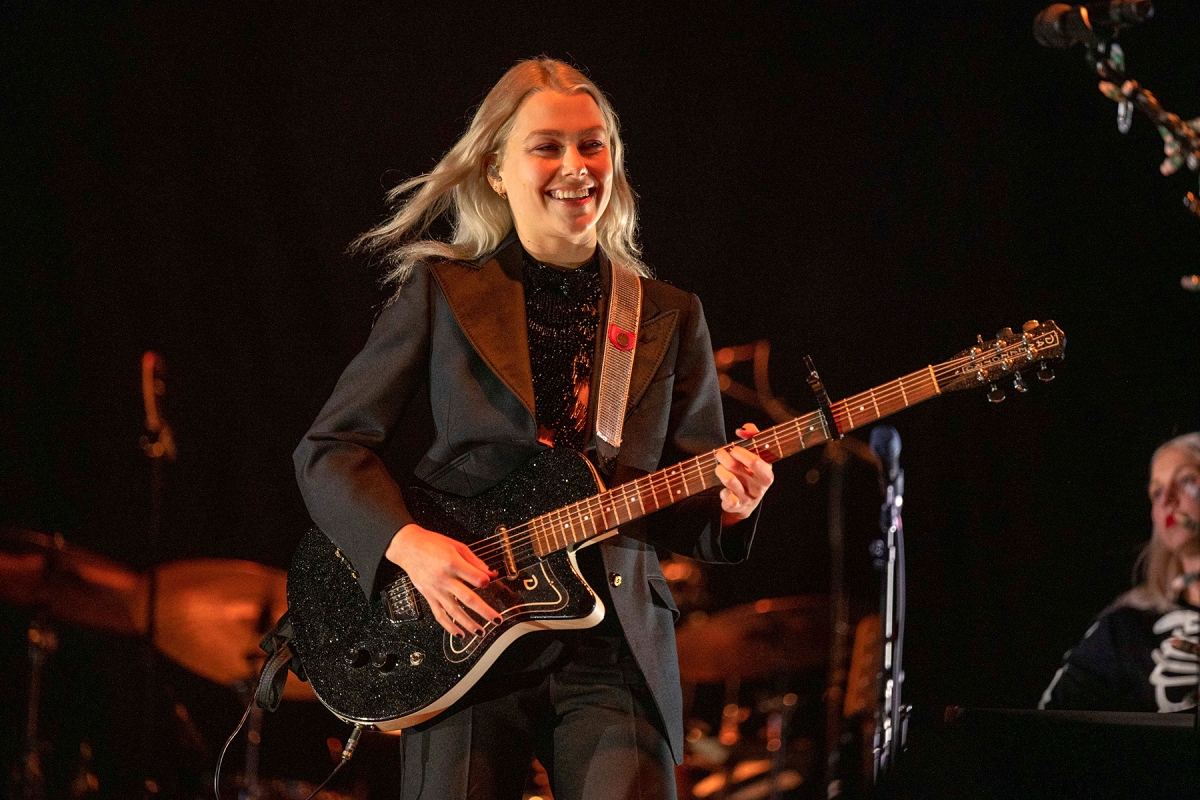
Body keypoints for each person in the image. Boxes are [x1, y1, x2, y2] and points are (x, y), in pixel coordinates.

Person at [293, 58, 774, 799]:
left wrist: (732, 503)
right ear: (495, 168)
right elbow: (330, 450)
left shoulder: (670, 314)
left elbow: (687, 504)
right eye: (547, 146)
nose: (576, 166)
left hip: (614, 644)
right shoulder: (444, 290)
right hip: (465, 628)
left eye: (593, 144)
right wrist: (408, 545)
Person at [1039, 432, 1200, 713]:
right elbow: (1045, 728)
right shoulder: (1126, 627)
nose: (1167, 501)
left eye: (1186, 480)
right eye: (1157, 492)